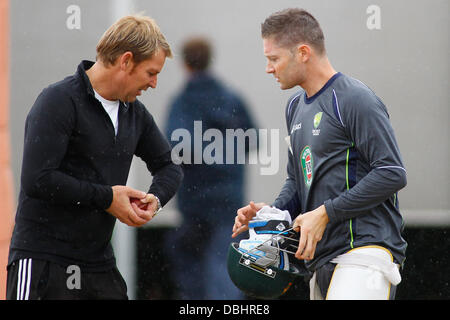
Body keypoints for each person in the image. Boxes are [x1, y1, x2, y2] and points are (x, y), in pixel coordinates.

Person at [232, 8, 407, 300]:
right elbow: (298, 181)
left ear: (302, 52)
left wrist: (326, 213)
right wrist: (272, 214)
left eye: (273, 58)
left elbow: (391, 173)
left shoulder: (354, 98)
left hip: (364, 253)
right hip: (320, 261)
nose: (268, 68)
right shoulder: (295, 107)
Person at [6, 15, 183, 300]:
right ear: (126, 61)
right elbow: (37, 179)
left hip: (98, 265)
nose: (154, 84)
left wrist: (155, 199)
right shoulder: (57, 100)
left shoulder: (134, 113)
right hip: (43, 260)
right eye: (151, 72)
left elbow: (169, 165)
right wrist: (107, 198)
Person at [164, 37, 257, 299]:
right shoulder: (231, 98)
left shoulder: (182, 102)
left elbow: (175, 146)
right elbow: (254, 140)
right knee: (225, 266)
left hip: (195, 200)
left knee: (191, 266)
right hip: (229, 200)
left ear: (185, 64)